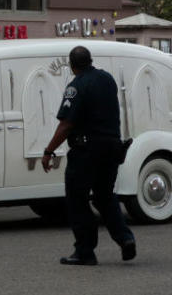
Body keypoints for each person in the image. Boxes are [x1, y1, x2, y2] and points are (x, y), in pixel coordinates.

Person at [41, 46, 135, 266]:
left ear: (72, 66)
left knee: (77, 199)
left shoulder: (76, 86)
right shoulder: (107, 79)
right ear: (90, 61)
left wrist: (48, 151)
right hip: (112, 147)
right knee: (105, 196)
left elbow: (66, 125)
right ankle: (125, 238)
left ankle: (85, 251)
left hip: (87, 151)